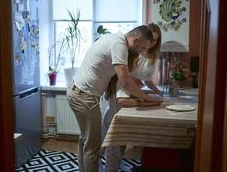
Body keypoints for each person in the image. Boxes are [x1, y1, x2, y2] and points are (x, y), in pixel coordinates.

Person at [67, 25, 162, 172]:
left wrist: (133, 80)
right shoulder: (119, 45)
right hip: (84, 96)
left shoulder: (115, 39)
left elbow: (122, 76)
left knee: (85, 140)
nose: (142, 52)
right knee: (93, 147)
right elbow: (124, 81)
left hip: (79, 93)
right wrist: (147, 98)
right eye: (142, 47)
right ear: (135, 40)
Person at [101, 23, 163, 172]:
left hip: (130, 92)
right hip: (123, 91)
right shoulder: (132, 52)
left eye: (155, 41)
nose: (151, 44)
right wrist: (143, 96)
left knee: (119, 135)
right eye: (151, 40)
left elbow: (146, 79)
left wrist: (156, 91)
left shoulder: (152, 57)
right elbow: (122, 75)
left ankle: (112, 161)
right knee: (113, 131)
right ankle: (107, 161)